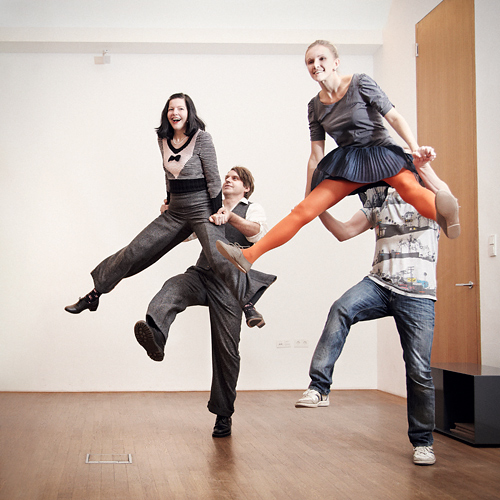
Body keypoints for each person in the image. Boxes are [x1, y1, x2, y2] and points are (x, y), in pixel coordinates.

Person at [216, 40, 459, 274]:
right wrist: (308, 194)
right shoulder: (315, 106)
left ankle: (446, 217)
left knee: (409, 188)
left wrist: (414, 148)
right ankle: (248, 256)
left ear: (336, 62)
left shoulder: (360, 83)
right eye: (310, 61)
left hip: (381, 153)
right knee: (302, 211)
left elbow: (393, 117)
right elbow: (316, 155)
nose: (316, 65)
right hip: (350, 163)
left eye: (322, 58)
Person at [65, 93, 272, 321]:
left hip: (202, 210)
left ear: (189, 113)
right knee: (135, 251)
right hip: (176, 212)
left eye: (180, 108)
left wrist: (217, 212)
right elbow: (168, 175)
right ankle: (94, 295)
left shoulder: (202, 138)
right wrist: (168, 201)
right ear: (166, 114)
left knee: (218, 256)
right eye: (171, 109)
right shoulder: (163, 139)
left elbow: (213, 178)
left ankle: (248, 303)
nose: (175, 113)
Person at [295, 160, 442, 466]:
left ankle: (423, 442)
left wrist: (424, 165)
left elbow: (449, 203)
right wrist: (317, 208)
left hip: (418, 293)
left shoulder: (431, 197)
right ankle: (319, 388)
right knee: (341, 308)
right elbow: (344, 231)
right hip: (379, 284)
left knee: (418, 370)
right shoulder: (380, 200)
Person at [134, 166, 275, 438]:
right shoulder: (208, 207)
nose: (228, 180)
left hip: (231, 285)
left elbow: (258, 233)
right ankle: (156, 336)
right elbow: (186, 234)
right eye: (227, 177)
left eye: (235, 178)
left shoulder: (252, 209)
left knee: (227, 351)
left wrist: (230, 217)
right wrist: (170, 214)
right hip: (202, 275)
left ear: (246, 187)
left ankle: (223, 415)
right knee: (173, 287)